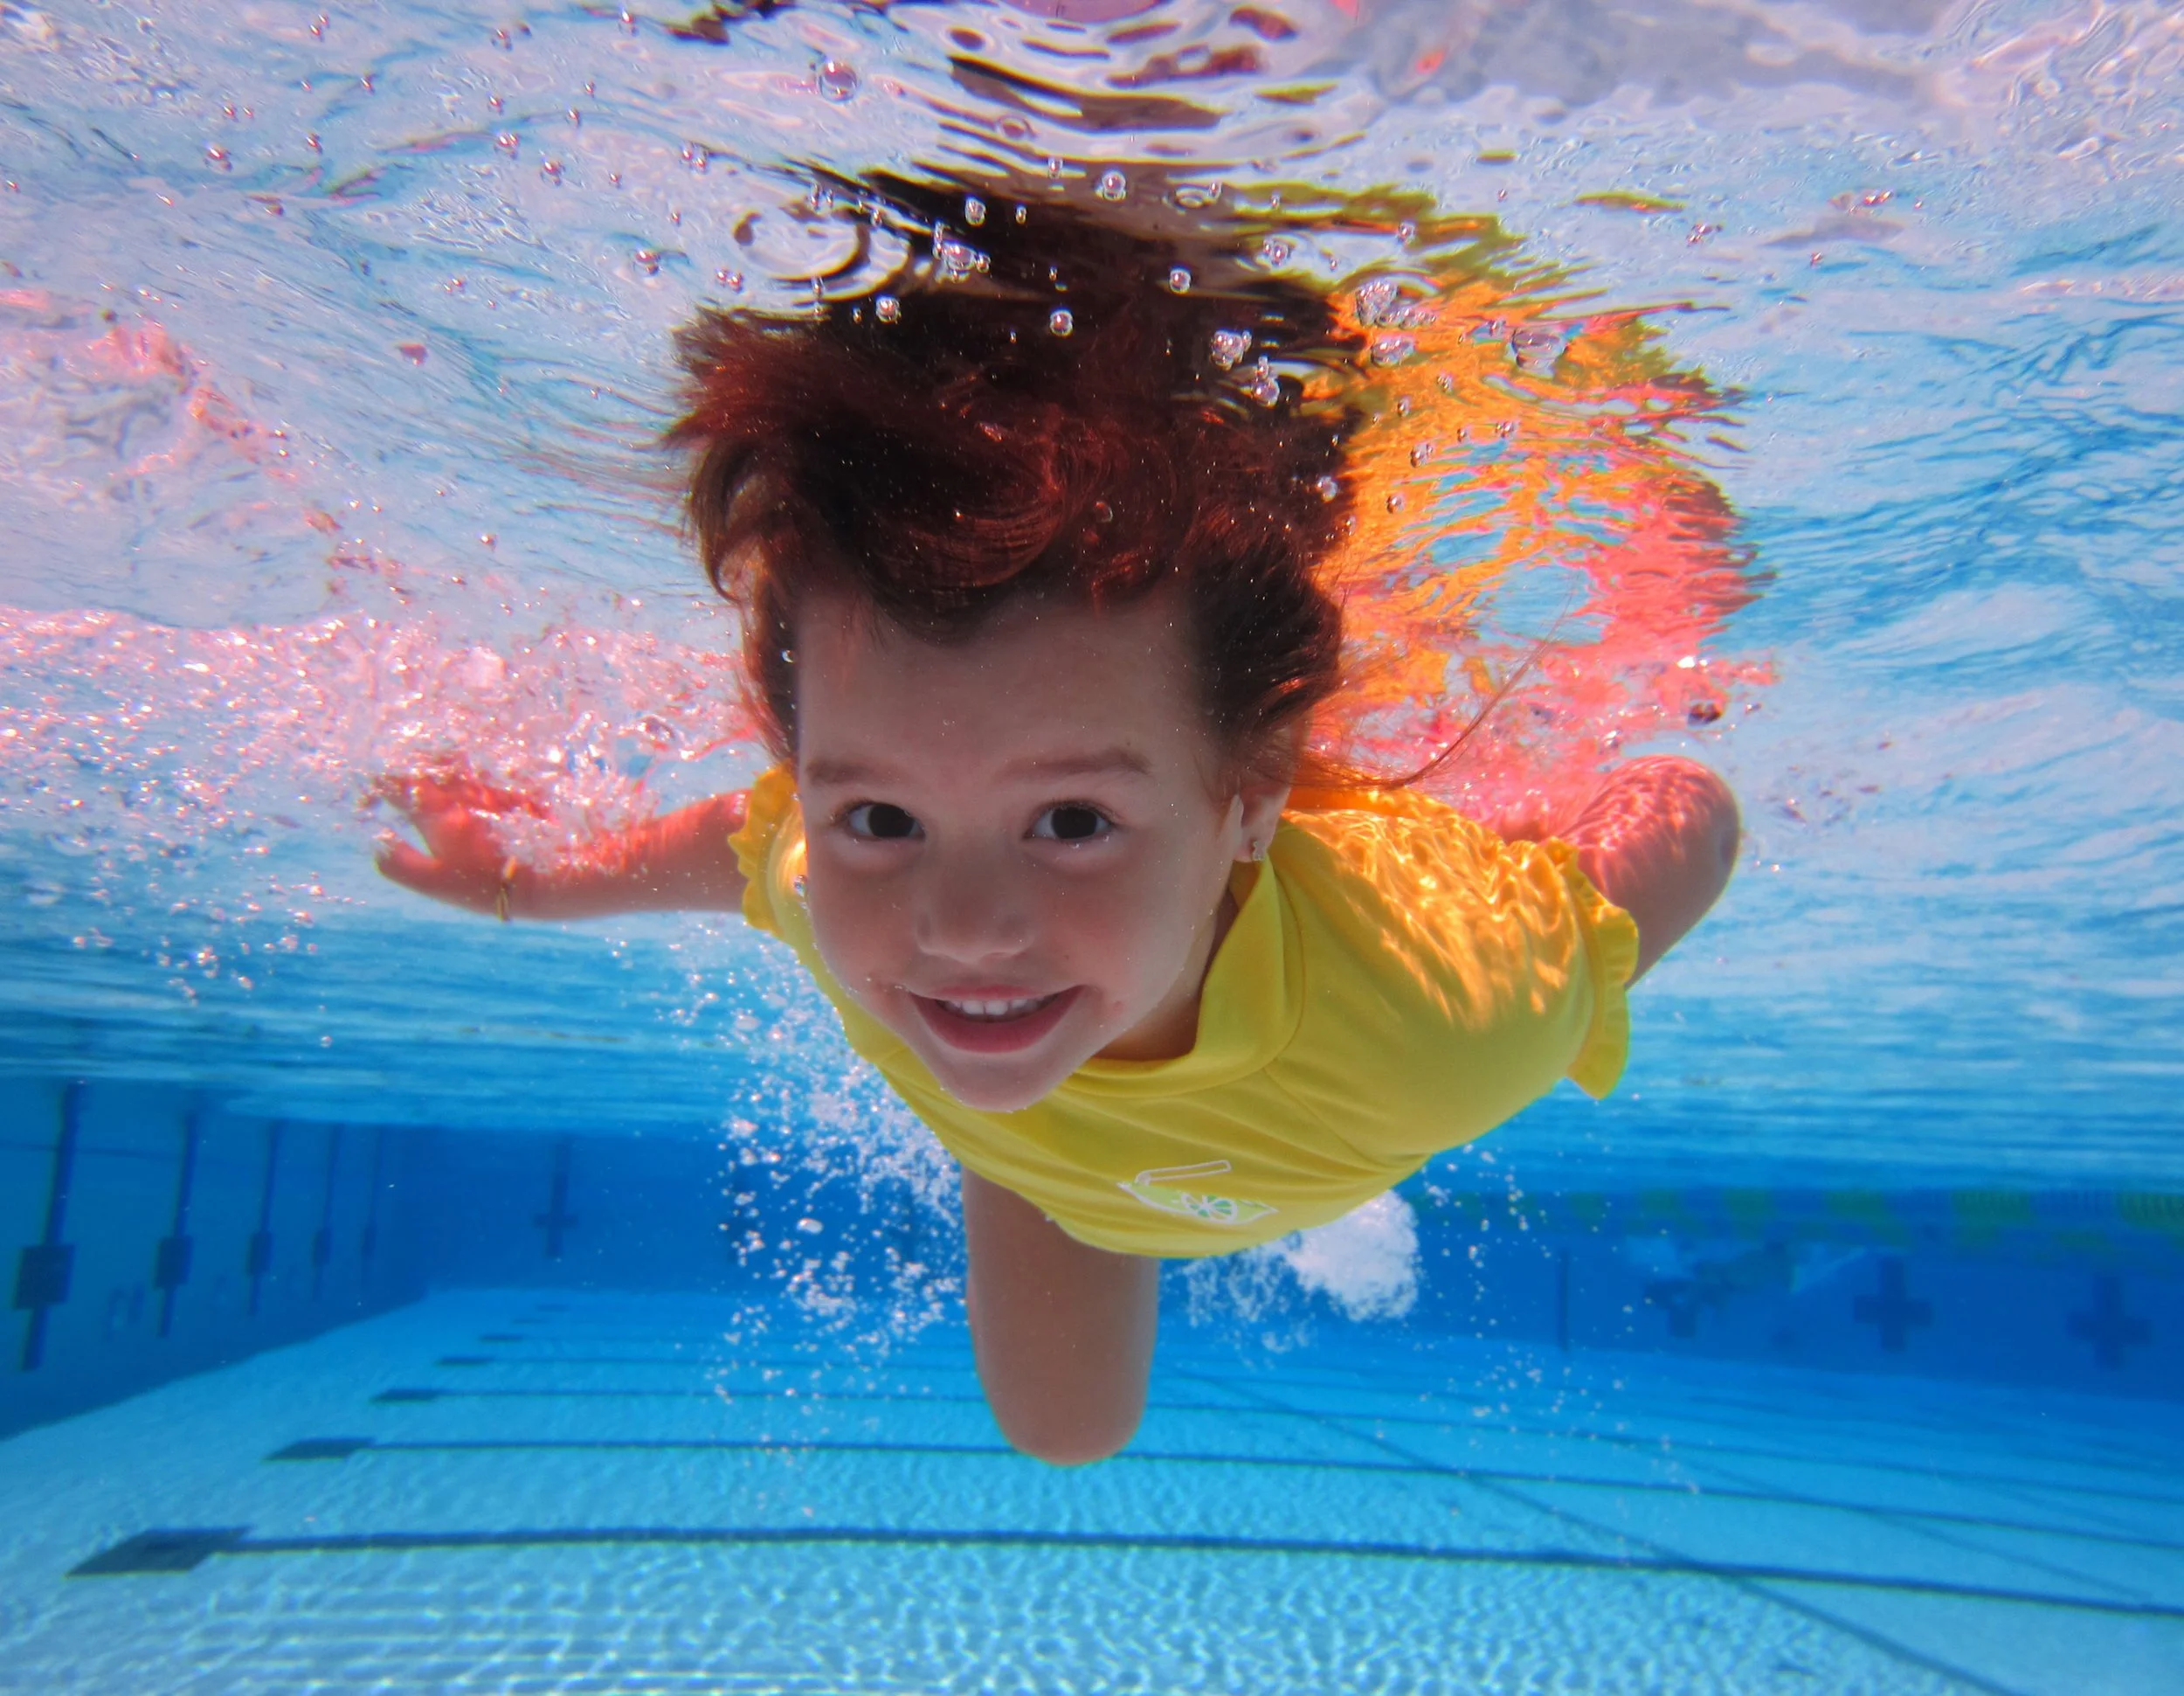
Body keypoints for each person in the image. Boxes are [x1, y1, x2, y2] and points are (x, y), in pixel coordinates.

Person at [376, 172, 1740, 1466]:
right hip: (1041, 1155)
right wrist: (525, 887)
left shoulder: (1453, 1011)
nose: (960, 927)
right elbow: (749, 843)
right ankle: (1026, 1108)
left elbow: (1698, 816)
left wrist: (1647, 760)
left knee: (1062, 1415)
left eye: (1074, 820)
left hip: (1201, 1073)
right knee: (1064, 1433)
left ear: (1252, 798)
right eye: (884, 816)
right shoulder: (824, 871)